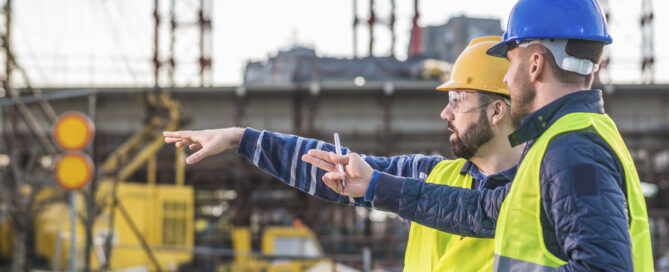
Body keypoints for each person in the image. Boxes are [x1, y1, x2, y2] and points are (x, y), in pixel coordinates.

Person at [313, 0, 653, 271]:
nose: (505, 80)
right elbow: (481, 210)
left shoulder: (572, 149)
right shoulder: (561, 140)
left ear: (534, 64)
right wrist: (375, 185)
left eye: (510, 62)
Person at [164, 36, 523, 271]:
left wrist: (377, 186)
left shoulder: (539, 193)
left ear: (496, 111)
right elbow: (332, 168)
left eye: (457, 101)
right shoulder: (431, 174)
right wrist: (242, 138)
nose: (446, 114)